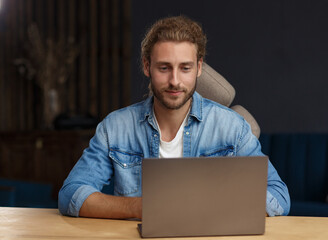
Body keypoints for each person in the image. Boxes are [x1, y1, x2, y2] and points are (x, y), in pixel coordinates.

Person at [58, 15, 290, 219]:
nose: (175, 81)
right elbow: (72, 193)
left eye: (185, 68)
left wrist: (210, 207)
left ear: (199, 68)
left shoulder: (232, 127)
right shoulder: (115, 127)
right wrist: (143, 207)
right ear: (147, 66)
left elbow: (278, 196)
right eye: (164, 68)